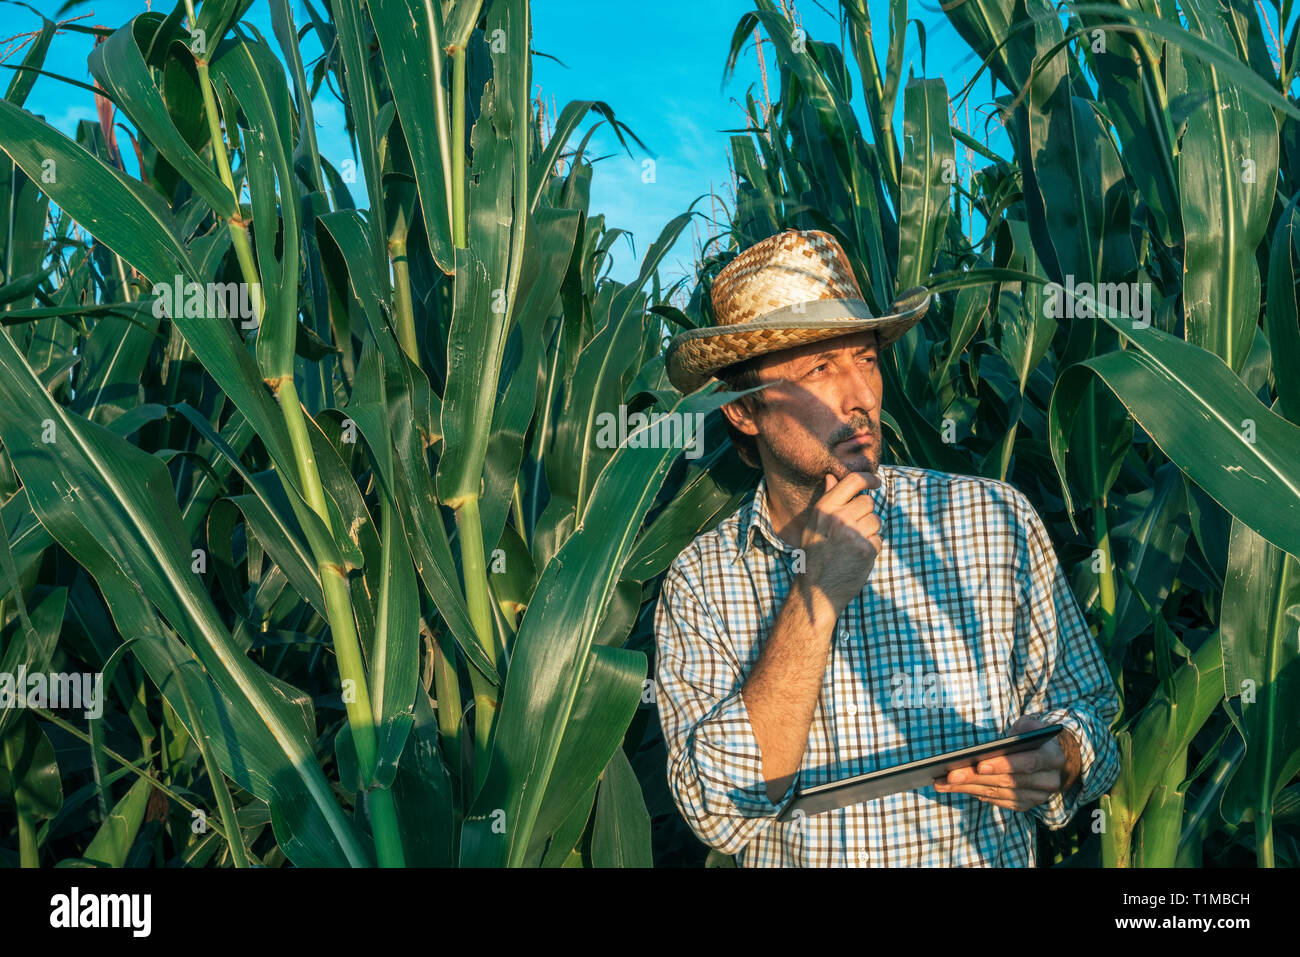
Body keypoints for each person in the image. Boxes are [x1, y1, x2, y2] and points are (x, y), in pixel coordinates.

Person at [654, 228, 1120, 866]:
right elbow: (719, 811)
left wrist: (1062, 757)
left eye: (865, 359)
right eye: (820, 367)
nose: (862, 397)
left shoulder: (992, 519)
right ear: (742, 408)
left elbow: (1090, 713)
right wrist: (816, 596)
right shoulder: (702, 583)